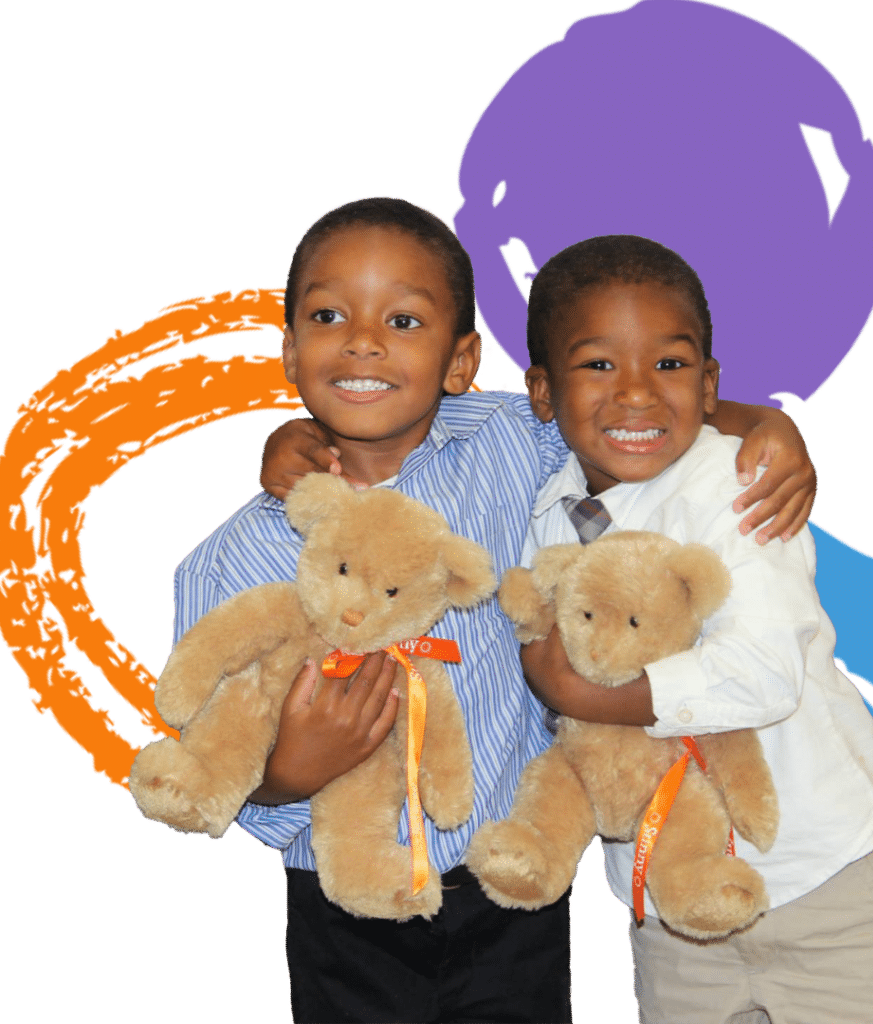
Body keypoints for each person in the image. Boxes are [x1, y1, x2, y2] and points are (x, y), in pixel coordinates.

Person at [176, 196, 817, 1023]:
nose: (365, 340)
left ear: (462, 358)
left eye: (404, 319)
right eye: (330, 315)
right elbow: (203, 758)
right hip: (342, 899)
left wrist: (768, 424)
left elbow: (630, 410)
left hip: (512, 884)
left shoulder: (513, 440)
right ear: (291, 350)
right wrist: (282, 777)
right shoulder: (233, 554)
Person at [515, 234, 873, 1023]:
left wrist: (579, 692)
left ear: (709, 384)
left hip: (822, 889)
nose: (636, 394)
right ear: (543, 392)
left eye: (669, 365)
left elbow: (765, 674)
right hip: (674, 911)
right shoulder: (548, 512)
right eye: (599, 364)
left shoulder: (740, 491)